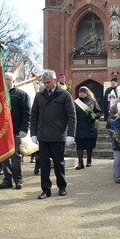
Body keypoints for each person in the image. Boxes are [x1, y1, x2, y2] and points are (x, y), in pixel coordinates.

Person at [30, 69, 75, 200]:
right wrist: (33, 133)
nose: (46, 85)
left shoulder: (64, 95)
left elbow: (71, 116)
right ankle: (46, 189)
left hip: (58, 134)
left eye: (48, 82)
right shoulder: (39, 96)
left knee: (58, 163)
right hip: (43, 135)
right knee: (44, 164)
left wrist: (70, 133)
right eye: (44, 83)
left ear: (54, 80)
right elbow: (34, 116)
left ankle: (62, 187)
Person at [0, 72, 31, 190]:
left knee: (16, 157)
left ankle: (18, 180)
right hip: (1, 132)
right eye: (4, 79)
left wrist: (24, 129)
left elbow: (27, 113)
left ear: (14, 81)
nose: (6, 81)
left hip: (16, 130)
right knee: (3, 157)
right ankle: (7, 179)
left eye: (8, 79)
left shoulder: (21, 95)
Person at [73, 86, 102, 170]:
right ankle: (80, 162)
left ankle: (89, 160)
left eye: (83, 92)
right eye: (80, 92)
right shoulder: (76, 102)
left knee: (89, 145)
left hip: (90, 126)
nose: (81, 94)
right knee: (79, 146)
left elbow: (99, 113)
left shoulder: (92, 101)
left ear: (87, 93)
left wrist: (94, 116)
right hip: (79, 126)